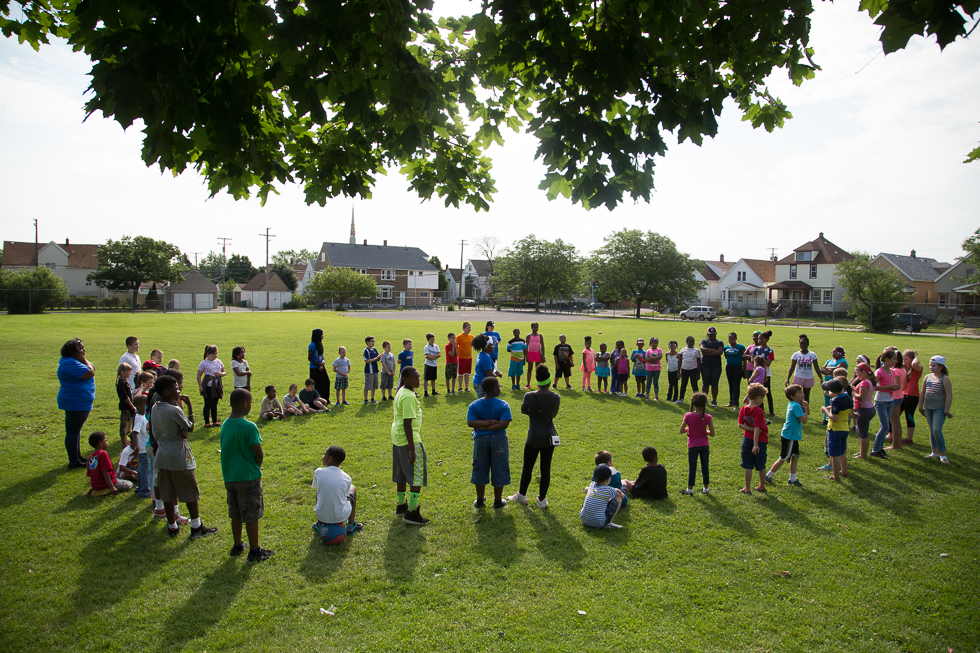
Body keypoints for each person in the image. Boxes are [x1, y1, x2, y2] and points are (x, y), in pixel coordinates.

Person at [150, 374, 217, 539]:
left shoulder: (155, 408)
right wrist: (189, 406)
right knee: (189, 490)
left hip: (162, 455)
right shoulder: (174, 409)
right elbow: (190, 426)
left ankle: (172, 526)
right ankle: (196, 526)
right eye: (176, 388)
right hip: (178, 456)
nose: (179, 390)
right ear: (166, 392)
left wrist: (180, 430)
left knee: (167, 491)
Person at [220, 388, 274, 562]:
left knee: (235, 513)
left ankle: (237, 545)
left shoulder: (225, 424)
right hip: (248, 477)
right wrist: (257, 465)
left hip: (230, 476)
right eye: (250, 403)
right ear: (244, 404)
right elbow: (258, 453)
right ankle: (254, 551)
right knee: (251, 515)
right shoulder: (249, 427)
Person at [508, 364, 560, 509]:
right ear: (549, 381)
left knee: (527, 467)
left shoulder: (529, 396)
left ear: (537, 381)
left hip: (533, 438)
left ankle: (522, 495)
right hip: (549, 438)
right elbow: (554, 414)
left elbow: (523, 410)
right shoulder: (555, 397)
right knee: (545, 469)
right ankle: (542, 500)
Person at [467, 378, 513, 508]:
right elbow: (503, 424)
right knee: (499, 467)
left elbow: (471, 422)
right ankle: (498, 501)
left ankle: (480, 500)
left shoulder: (474, 405)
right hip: (499, 439)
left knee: (479, 467)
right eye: (498, 386)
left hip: (480, 440)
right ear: (494, 389)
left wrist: (482, 427)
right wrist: (491, 422)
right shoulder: (503, 405)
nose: (499, 388)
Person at [392, 367, 428, 524]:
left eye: (419, 377)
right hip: (409, 439)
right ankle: (412, 512)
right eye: (415, 378)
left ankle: (401, 505)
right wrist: (413, 449)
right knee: (416, 475)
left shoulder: (401, 391)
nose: (418, 380)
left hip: (397, 438)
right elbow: (408, 423)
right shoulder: (408, 397)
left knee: (401, 472)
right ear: (405, 379)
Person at [312, 445, 363, 545]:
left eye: (324, 455)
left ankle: (320, 524)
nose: (323, 457)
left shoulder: (318, 472)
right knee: (353, 488)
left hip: (321, 515)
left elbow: (317, 488)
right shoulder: (346, 477)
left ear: (330, 459)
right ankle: (351, 525)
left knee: (320, 491)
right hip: (341, 517)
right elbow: (345, 495)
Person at [58, 338, 96, 469]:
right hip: (75, 401)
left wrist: (83, 360)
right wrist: (84, 360)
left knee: (75, 430)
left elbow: (93, 367)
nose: (83, 350)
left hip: (79, 400)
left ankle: (77, 455)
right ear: (72, 351)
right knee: (72, 431)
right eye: (80, 348)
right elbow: (90, 372)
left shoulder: (72, 361)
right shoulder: (70, 363)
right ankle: (73, 461)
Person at [767, 385, 809, 486]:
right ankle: (767, 476)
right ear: (792, 396)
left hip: (792, 436)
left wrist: (805, 406)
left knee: (795, 457)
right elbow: (804, 420)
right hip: (789, 436)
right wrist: (805, 408)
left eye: (802, 392)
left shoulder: (794, 404)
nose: (802, 394)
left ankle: (793, 479)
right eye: (799, 393)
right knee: (784, 457)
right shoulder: (796, 406)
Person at [920, 355, 953, 464]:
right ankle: (934, 452)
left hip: (939, 408)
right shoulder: (927, 377)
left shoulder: (944, 378)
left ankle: (943, 455)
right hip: (928, 407)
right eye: (930, 365)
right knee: (931, 429)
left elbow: (949, 395)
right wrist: (920, 406)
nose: (931, 367)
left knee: (936, 430)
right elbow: (922, 392)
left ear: (941, 367)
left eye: (934, 366)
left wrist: (947, 410)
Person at [680, 392, 714, 495]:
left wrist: (690, 428)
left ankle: (690, 489)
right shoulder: (708, 417)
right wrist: (704, 431)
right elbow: (712, 433)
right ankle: (706, 488)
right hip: (704, 444)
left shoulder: (688, 416)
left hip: (693, 445)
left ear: (693, 404)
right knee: (705, 466)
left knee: (692, 467)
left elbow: (681, 430)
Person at [738, 383, 769, 494]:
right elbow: (757, 428)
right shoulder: (759, 411)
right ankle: (762, 486)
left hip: (747, 439)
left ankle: (747, 488)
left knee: (748, 464)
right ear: (759, 398)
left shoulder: (743, 409)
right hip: (760, 440)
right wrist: (756, 444)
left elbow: (740, 425)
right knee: (761, 464)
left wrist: (749, 429)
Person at [870, 349, 900, 459]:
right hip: (881, 401)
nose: (896, 361)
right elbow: (873, 387)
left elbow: (890, 385)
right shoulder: (879, 371)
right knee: (885, 426)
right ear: (887, 360)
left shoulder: (892, 372)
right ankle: (875, 450)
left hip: (889, 401)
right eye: (894, 359)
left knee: (884, 426)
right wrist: (889, 387)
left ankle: (880, 448)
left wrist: (895, 387)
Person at [820, 379, 852, 481]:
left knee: (834, 454)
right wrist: (833, 408)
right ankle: (844, 471)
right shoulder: (848, 397)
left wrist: (825, 410)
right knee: (842, 451)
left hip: (835, 429)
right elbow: (850, 414)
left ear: (832, 392)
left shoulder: (835, 400)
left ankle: (835, 476)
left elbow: (834, 418)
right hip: (845, 428)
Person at [86, 431, 133, 495]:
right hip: (105, 483)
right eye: (106, 440)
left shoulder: (90, 457)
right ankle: (106, 490)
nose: (107, 443)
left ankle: (97, 489)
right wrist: (112, 487)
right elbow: (105, 472)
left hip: (95, 484)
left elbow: (90, 474)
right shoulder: (103, 454)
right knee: (129, 484)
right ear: (100, 443)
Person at [580, 465, 624, 529]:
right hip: (599, 523)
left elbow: (586, 489)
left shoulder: (592, 484)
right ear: (608, 479)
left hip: (584, 520)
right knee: (618, 499)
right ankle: (609, 522)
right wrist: (621, 494)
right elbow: (621, 496)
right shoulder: (609, 490)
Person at [850, 362, 876, 460]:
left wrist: (853, 391)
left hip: (864, 410)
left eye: (857, 372)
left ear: (864, 372)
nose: (856, 374)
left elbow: (861, 398)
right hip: (866, 409)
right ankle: (862, 452)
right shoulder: (869, 381)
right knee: (860, 431)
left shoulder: (865, 383)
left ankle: (863, 455)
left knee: (863, 433)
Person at [197, 344, 226, 428]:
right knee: (208, 404)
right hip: (208, 386)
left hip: (216, 385)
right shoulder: (203, 363)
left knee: (214, 404)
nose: (215, 356)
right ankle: (207, 422)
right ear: (208, 354)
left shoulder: (219, 361)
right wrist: (200, 386)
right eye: (214, 354)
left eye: (216, 353)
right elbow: (199, 375)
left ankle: (215, 421)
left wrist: (220, 374)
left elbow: (224, 372)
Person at [785, 333, 819, 404]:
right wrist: (788, 378)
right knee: (796, 395)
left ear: (808, 344)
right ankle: (798, 410)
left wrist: (821, 378)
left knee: (806, 396)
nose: (803, 346)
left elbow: (816, 367)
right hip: (798, 377)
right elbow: (792, 367)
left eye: (804, 344)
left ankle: (805, 411)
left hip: (808, 377)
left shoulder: (812, 355)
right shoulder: (796, 354)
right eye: (801, 344)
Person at [819, 346, 848, 422]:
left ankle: (834, 415)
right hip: (828, 384)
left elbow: (837, 369)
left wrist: (828, 369)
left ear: (840, 353)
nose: (833, 354)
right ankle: (826, 418)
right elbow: (822, 370)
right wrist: (831, 370)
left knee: (835, 401)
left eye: (834, 352)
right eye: (832, 352)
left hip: (836, 385)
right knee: (827, 401)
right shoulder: (829, 361)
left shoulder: (843, 361)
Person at [900, 349, 923, 445]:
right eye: (903, 359)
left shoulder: (917, 368)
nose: (904, 361)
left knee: (909, 416)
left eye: (906, 359)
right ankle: (891, 435)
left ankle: (909, 438)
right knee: (894, 415)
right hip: (902, 394)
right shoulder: (903, 368)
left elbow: (914, 365)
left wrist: (916, 356)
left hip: (912, 396)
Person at [132, 395, 152, 498]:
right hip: (143, 449)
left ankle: (139, 487)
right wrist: (137, 447)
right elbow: (134, 432)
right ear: (139, 406)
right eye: (146, 404)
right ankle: (145, 490)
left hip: (143, 448)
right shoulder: (139, 418)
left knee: (141, 468)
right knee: (145, 469)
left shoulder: (141, 416)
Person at [886, 350, 907, 449]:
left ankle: (895, 445)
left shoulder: (895, 371)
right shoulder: (903, 369)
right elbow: (904, 385)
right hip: (899, 396)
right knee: (896, 421)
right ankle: (897, 443)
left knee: (894, 422)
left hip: (895, 397)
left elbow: (897, 385)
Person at [698, 327, 724, 406]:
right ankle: (704, 400)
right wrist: (713, 350)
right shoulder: (704, 341)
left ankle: (714, 400)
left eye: (713, 334)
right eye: (710, 334)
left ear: (716, 334)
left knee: (714, 384)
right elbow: (702, 350)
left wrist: (707, 352)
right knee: (705, 384)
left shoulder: (720, 342)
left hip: (716, 366)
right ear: (708, 334)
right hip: (705, 366)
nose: (712, 335)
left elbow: (719, 352)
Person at [472, 334, 502, 399]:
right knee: (482, 403)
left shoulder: (482, 354)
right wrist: (497, 375)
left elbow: (489, 369)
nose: (493, 346)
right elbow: (489, 374)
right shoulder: (486, 358)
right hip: (481, 383)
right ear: (487, 347)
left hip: (478, 381)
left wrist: (496, 371)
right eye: (491, 345)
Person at [116, 362, 137, 449]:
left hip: (128, 406)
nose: (130, 374)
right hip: (125, 406)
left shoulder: (125, 381)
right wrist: (132, 406)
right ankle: (124, 443)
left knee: (127, 422)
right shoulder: (121, 383)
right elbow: (125, 398)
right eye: (128, 372)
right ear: (122, 372)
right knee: (124, 425)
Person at [755, 330, 776, 417]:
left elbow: (768, 363)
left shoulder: (770, 350)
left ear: (766, 339)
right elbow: (753, 360)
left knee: (767, 392)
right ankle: (761, 410)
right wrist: (763, 361)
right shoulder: (756, 349)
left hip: (766, 374)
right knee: (759, 392)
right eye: (759, 339)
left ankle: (771, 411)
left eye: (761, 339)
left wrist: (759, 362)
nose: (759, 340)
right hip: (757, 374)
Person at [723, 332, 746, 408]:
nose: (731, 340)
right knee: (730, 385)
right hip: (729, 368)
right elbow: (726, 356)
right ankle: (731, 402)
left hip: (738, 368)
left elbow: (744, 359)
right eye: (729, 338)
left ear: (736, 338)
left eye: (732, 338)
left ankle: (736, 404)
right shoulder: (726, 347)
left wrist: (744, 371)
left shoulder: (741, 347)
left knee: (736, 385)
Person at [308, 328, 331, 404]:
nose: (323, 336)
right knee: (316, 384)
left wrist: (323, 361)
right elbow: (310, 358)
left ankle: (326, 399)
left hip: (321, 366)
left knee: (326, 382)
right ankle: (317, 401)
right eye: (321, 334)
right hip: (314, 368)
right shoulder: (312, 345)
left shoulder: (320, 344)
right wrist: (318, 365)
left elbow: (321, 355)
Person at [677, 336, 701, 403]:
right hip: (684, 369)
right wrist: (678, 372)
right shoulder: (683, 350)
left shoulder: (696, 351)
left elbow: (699, 362)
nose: (692, 343)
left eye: (693, 341)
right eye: (690, 341)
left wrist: (698, 373)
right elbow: (680, 361)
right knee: (683, 384)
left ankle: (697, 399)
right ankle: (681, 398)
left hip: (693, 369)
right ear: (686, 342)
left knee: (694, 384)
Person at [524, 323, 545, 389]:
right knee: (529, 369)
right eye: (534, 327)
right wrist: (526, 356)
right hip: (530, 353)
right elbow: (526, 346)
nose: (536, 329)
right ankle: (528, 384)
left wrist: (543, 356)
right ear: (531, 328)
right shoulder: (529, 336)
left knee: (538, 369)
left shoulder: (540, 335)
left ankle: (539, 383)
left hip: (538, 353)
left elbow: (542, 346)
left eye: (537, 327)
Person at [456, 322, 474, 392]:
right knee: (460, 373)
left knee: (467, 373)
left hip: (469, 357)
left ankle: (466, 387)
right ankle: (460, 388)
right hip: (461, 357)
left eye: (470, 328)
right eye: (468, 328)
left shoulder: (471, 336)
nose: (469, 329)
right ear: (464, 328)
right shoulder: (459, 337)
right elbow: (455, 345)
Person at [363, 336, 381, 404]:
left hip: (375, 370)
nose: (373, 343)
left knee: (374, 385)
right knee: (367, 386)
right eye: (372, 341)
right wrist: (376, 358)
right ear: (367, 342)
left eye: (374, 341)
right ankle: (365, 400)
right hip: (369, 371)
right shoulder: (366, 351)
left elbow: (378, 359)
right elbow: (367, 361)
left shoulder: (374, 349)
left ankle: (372, 398)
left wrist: (379, 357)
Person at [422, 333, 441, 397]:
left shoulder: (436, 346)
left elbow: (439, 355)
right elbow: (428, 356)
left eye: (433, 339)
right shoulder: (426, 347)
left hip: (434, 365)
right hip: (428, 364)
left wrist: (432, 356)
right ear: (428, 340)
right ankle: (425, 392)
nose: (433, 340)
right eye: (431, 339)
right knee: (426, 379)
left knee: (433, 379)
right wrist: (435, 357)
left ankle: (433, 391)